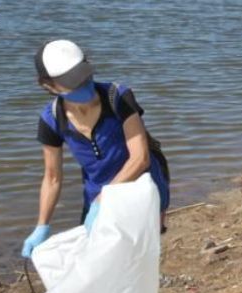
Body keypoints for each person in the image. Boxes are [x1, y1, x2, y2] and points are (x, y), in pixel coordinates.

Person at [23, 40, 171, 258]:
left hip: (142, 184)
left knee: (140, 253)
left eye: (85, 76)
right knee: (97, 257)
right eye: (73, 82)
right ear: (49, 85)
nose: (84, 85)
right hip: (97, 191)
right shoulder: (51, 119)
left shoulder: (118, 97)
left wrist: (104, 200)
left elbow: (140, 158)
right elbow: (52, 177)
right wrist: (42, 225)